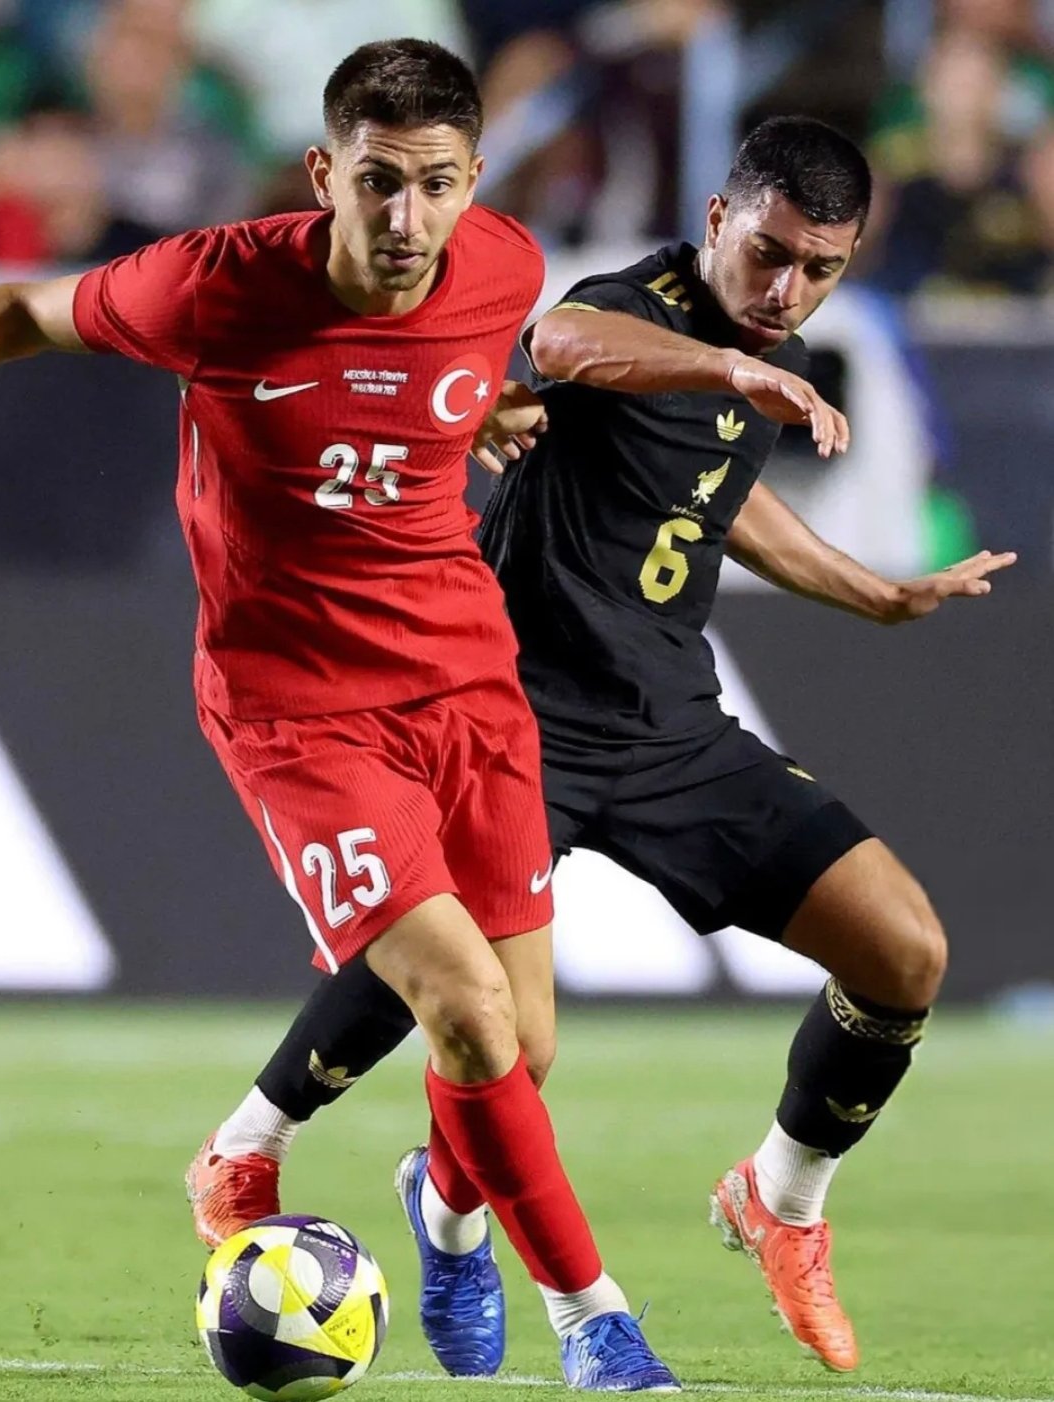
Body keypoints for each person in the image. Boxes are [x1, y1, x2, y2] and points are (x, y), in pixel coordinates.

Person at [0, 37, 678, 1395]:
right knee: (466, 1007)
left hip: (468, 683)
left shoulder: (504, 267)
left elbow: (437, 380)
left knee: (522, 1044)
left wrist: (477, 415)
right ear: (324, 173)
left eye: (437, 184)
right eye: (378, 182)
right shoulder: (216, 285)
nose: (408, 217)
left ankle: (436, 1209)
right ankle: (597, 1325)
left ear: (475, 179)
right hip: (298, 705)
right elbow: (20, 311)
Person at [194, 116, 1016, 1376]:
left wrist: (876, 591)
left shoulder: (762, 358)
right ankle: (360, 1183)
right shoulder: (636, 309)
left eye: (820, 268)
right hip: (510, 716)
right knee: (478, 1011)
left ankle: (780, 1197)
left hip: (671, 728)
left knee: (904, 950)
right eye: (769, 252)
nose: (786, 289)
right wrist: (728, 370)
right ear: (717, 217)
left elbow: (723, 496)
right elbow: (559, 343)